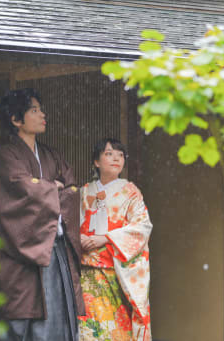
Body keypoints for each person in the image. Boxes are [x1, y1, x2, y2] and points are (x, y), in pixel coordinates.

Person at [0, 88, 85, 341]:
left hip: (55, 248)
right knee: (23, 315)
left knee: (59, 318)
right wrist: (51, 188)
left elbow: (72, 190)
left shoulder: (51, 155)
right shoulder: (6, 155)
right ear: (15, 119)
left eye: (41, 109)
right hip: (21, 255)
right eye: (35, 110)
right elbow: (19, 191)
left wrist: (45, 191)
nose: (43, 114)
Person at [78, 138, 152, 341]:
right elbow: (69, 222)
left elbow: (142, 226)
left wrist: (107, 238)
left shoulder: (131, 192)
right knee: (88, 330)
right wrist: (78, 237)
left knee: (117, 330)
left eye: (120, 155)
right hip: (86, 272)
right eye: (109, 154)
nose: (116, 158)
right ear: (96, 162)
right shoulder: (84, 191)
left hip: (116, 273)